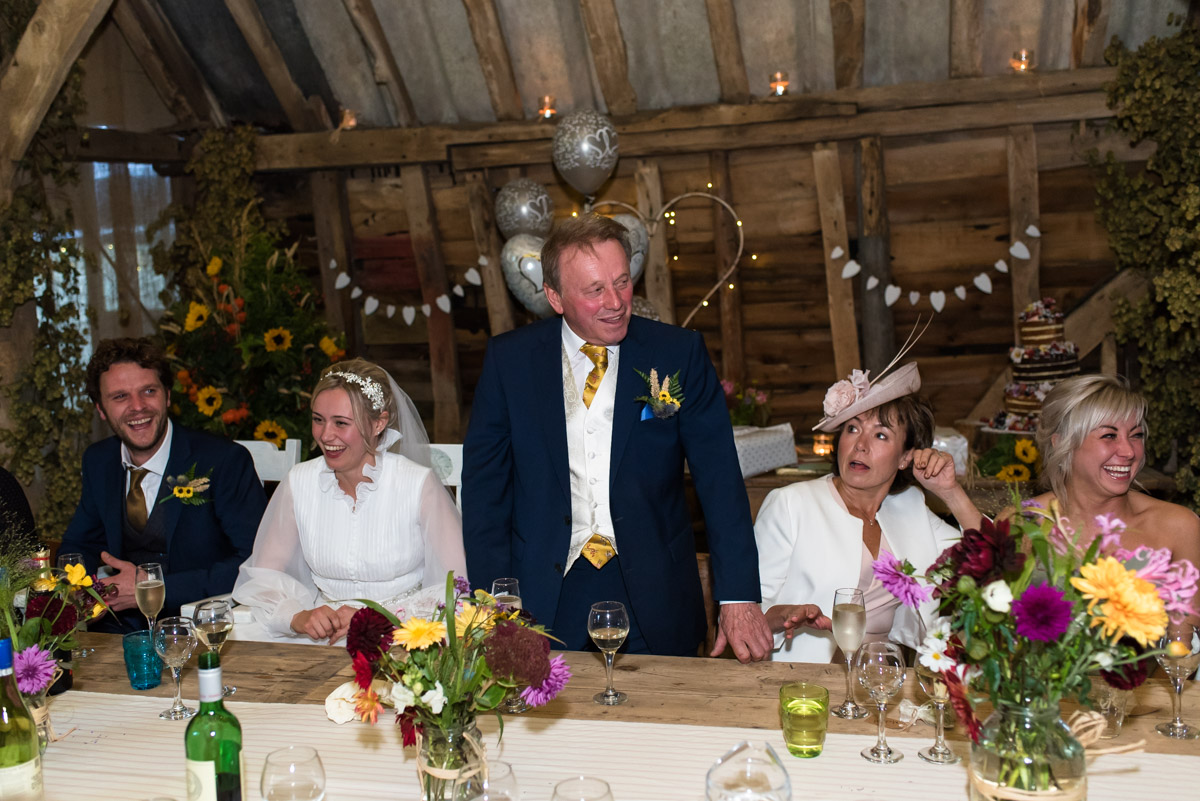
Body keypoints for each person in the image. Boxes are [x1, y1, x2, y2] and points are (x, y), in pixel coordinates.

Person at [463, 213, 772, 661]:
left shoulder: (678, 353)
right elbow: (485, 495)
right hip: (543, 595)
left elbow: (720, 480)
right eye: (595, 290)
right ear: (555, 296)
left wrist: (738, 596)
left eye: (622, 282)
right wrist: (494, 605)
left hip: (656, 593)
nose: (615, 302)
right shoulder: (509, 362)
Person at [754, 362, 984, 662]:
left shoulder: (910, 506)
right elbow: (746, 614)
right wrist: (784, 615)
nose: (860, 445)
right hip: (802, 677)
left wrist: (950, 491)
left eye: (881, 435)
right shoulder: (790, 504)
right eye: (852, 429)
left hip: (882, 676)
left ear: (905, 457)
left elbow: (987, 559)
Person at [233, 358, 466, 644]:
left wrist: (376, 619)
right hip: (321, 638)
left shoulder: (417, 484)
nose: (325, 435)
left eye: (341, 423)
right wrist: (298, 616)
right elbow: (264, 575)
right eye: (318, 420)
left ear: (378, 423)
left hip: (402, 635)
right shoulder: (300, 481)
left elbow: (454, 588)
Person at [61, 337, 266, 627]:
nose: (137, 407)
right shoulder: (98, 461)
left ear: (167, 396)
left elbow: (257, 562)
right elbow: (79, 543)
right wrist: (82, 589)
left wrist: (155, 588)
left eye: (148, 391)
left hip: (203, 626)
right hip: (117, 630)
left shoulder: (225, 461)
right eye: (120, 397)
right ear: (101, 409)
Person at [1032, 374, 1200, 567]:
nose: (1129, 452)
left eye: (1136, 435)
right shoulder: (1024, 525)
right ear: (1061, 443)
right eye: (1109, 435)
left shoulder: (1179, 528)